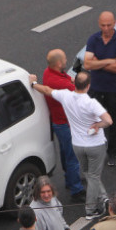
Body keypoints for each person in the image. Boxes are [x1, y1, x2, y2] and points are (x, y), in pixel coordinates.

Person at [32, 73, 113, 220]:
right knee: (93, 176)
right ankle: (91, 209)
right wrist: (97, 125)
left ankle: (103, 197)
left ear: (74, 83)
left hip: (78, 145)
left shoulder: (65, 95)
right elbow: (108, 120)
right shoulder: (91, 103)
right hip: (95, 145)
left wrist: (33, 84)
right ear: (88, 86)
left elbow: (46, 90)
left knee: (89, 174)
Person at [41, 49, 85, 202]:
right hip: (65, 124)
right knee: (72, 157)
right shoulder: (60, 83)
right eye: (65, 59)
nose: (66, 61)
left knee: (65, 153)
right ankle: (76, 188)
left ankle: (70, 179)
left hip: (58, 122)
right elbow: (79, 90)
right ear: (59, 63)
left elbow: (68, 78)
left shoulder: (48, 73)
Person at [84, 11, 116, 166]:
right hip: (96, 87)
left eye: (109, 25)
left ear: (114, 23)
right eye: (103, 25)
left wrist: (99, 61)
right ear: (99, 24)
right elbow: (87, 64)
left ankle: (113, 152)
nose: (106, 28)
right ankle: (93, 151)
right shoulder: (93, 39)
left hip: (114, 89)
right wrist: (109, 61)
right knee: (92, 119)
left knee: (115, 123)